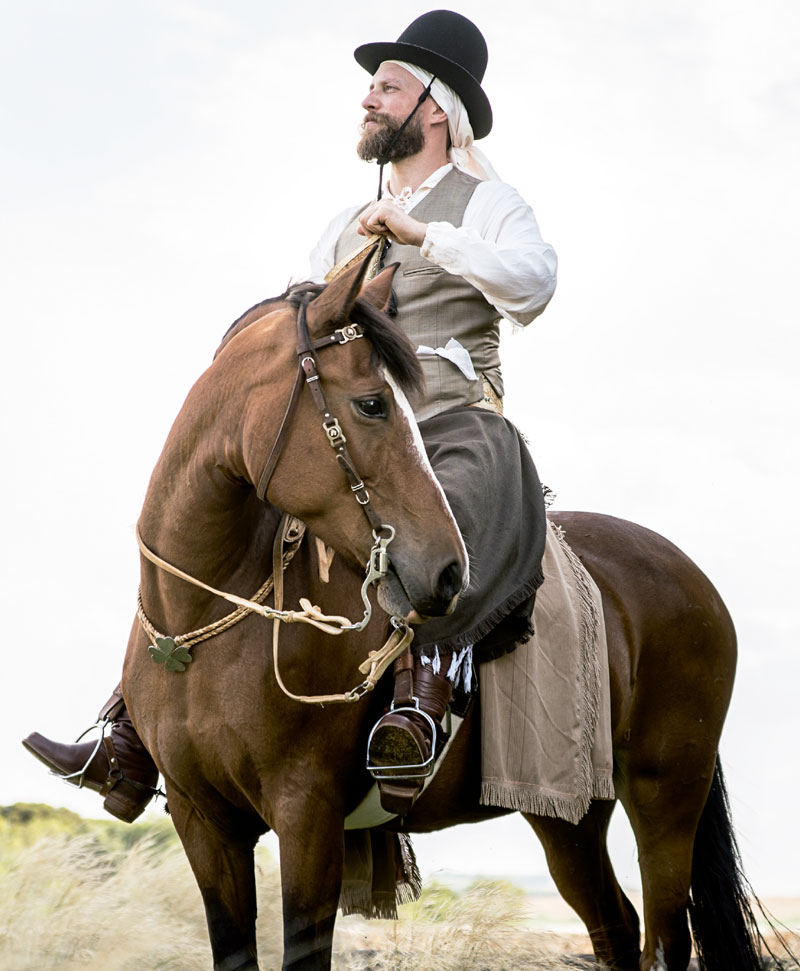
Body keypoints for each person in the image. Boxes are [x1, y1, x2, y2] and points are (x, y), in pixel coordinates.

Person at [22, 9, 557, 821]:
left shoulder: (490, 203)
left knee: (464, 486)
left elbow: (535, 283)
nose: (370, 97)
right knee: (218, 512)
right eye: (371, 87)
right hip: (352, 421)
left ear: (435, 108)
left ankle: (426, 691)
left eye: (388, 86)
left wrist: (426, 235)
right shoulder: (340, 228)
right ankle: (131, 724)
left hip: (450, 415)